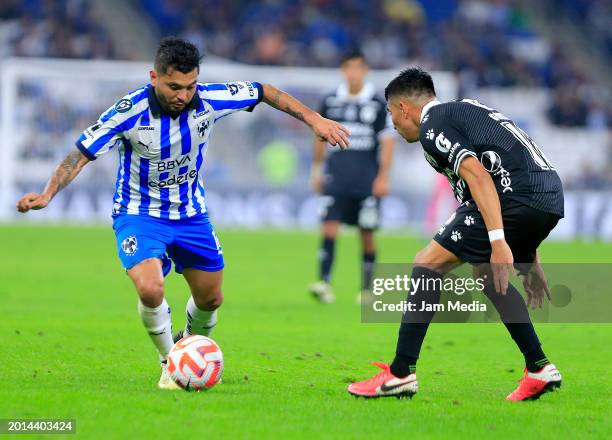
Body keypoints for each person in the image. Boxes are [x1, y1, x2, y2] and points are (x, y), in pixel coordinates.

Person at [16, 37, 350, 390]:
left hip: (191, 215)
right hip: (139, 214)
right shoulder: (127, 112)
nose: (183, 95)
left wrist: (314, 119)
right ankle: (169, 362)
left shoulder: (210, 98)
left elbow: (263, 90)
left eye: (190, 86)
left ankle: (191, 346)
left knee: (211, 298)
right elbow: (80, 154)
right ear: (154, 78)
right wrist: (48, 193)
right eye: (174, 86)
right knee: (149, 287)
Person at [348, 67, 563, 401]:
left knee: (427, 263)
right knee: (486, 275)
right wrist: (529, 257)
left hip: (515, 196)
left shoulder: (435, 124)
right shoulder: (465, 112)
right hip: (548, 197)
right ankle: (538, 367)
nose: (392, 122)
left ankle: (400, 373)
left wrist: (498, 242)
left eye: (392, 113)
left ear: (405, 108)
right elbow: (509, 163)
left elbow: (479, 175)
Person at [309, 50, 395, 303]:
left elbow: (387, 142)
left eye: (358, 68)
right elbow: (319, 138)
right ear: (343, 71)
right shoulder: (330, 101)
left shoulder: (377, 103)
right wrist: (316, 170)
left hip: (366, 180)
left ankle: (366, 290)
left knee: (366, 234)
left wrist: (383, 177)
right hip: (336, 177)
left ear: (365, 70)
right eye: (349, 68)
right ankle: (323, 283)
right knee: (329, 229)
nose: (354, 73)